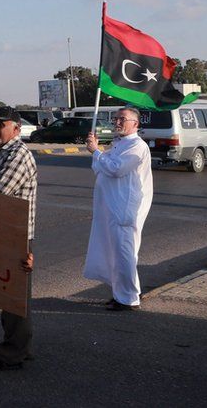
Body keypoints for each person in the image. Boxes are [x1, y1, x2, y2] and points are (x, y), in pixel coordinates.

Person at [83, 107, 153, 311]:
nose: (117, 122)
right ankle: (121, 293)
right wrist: (96, 152)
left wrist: (96, 151)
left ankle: (129, 299)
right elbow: (101, 167)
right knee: (115, 253)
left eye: (123, 119)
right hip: (112, 208)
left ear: (135, 124)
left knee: (125, 253)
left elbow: (116, 169)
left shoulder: (137, 146)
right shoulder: (119, 144)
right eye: (116, 118)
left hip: (124, 210)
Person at [0, 107, 37, 370]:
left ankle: (13, 353)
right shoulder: (1, 153)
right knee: (9, 296)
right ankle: (18, 347)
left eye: (0, 125)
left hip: (16, 236)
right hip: (1, 232)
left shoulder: (19, 156)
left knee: (15, 299)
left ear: (16, 128)